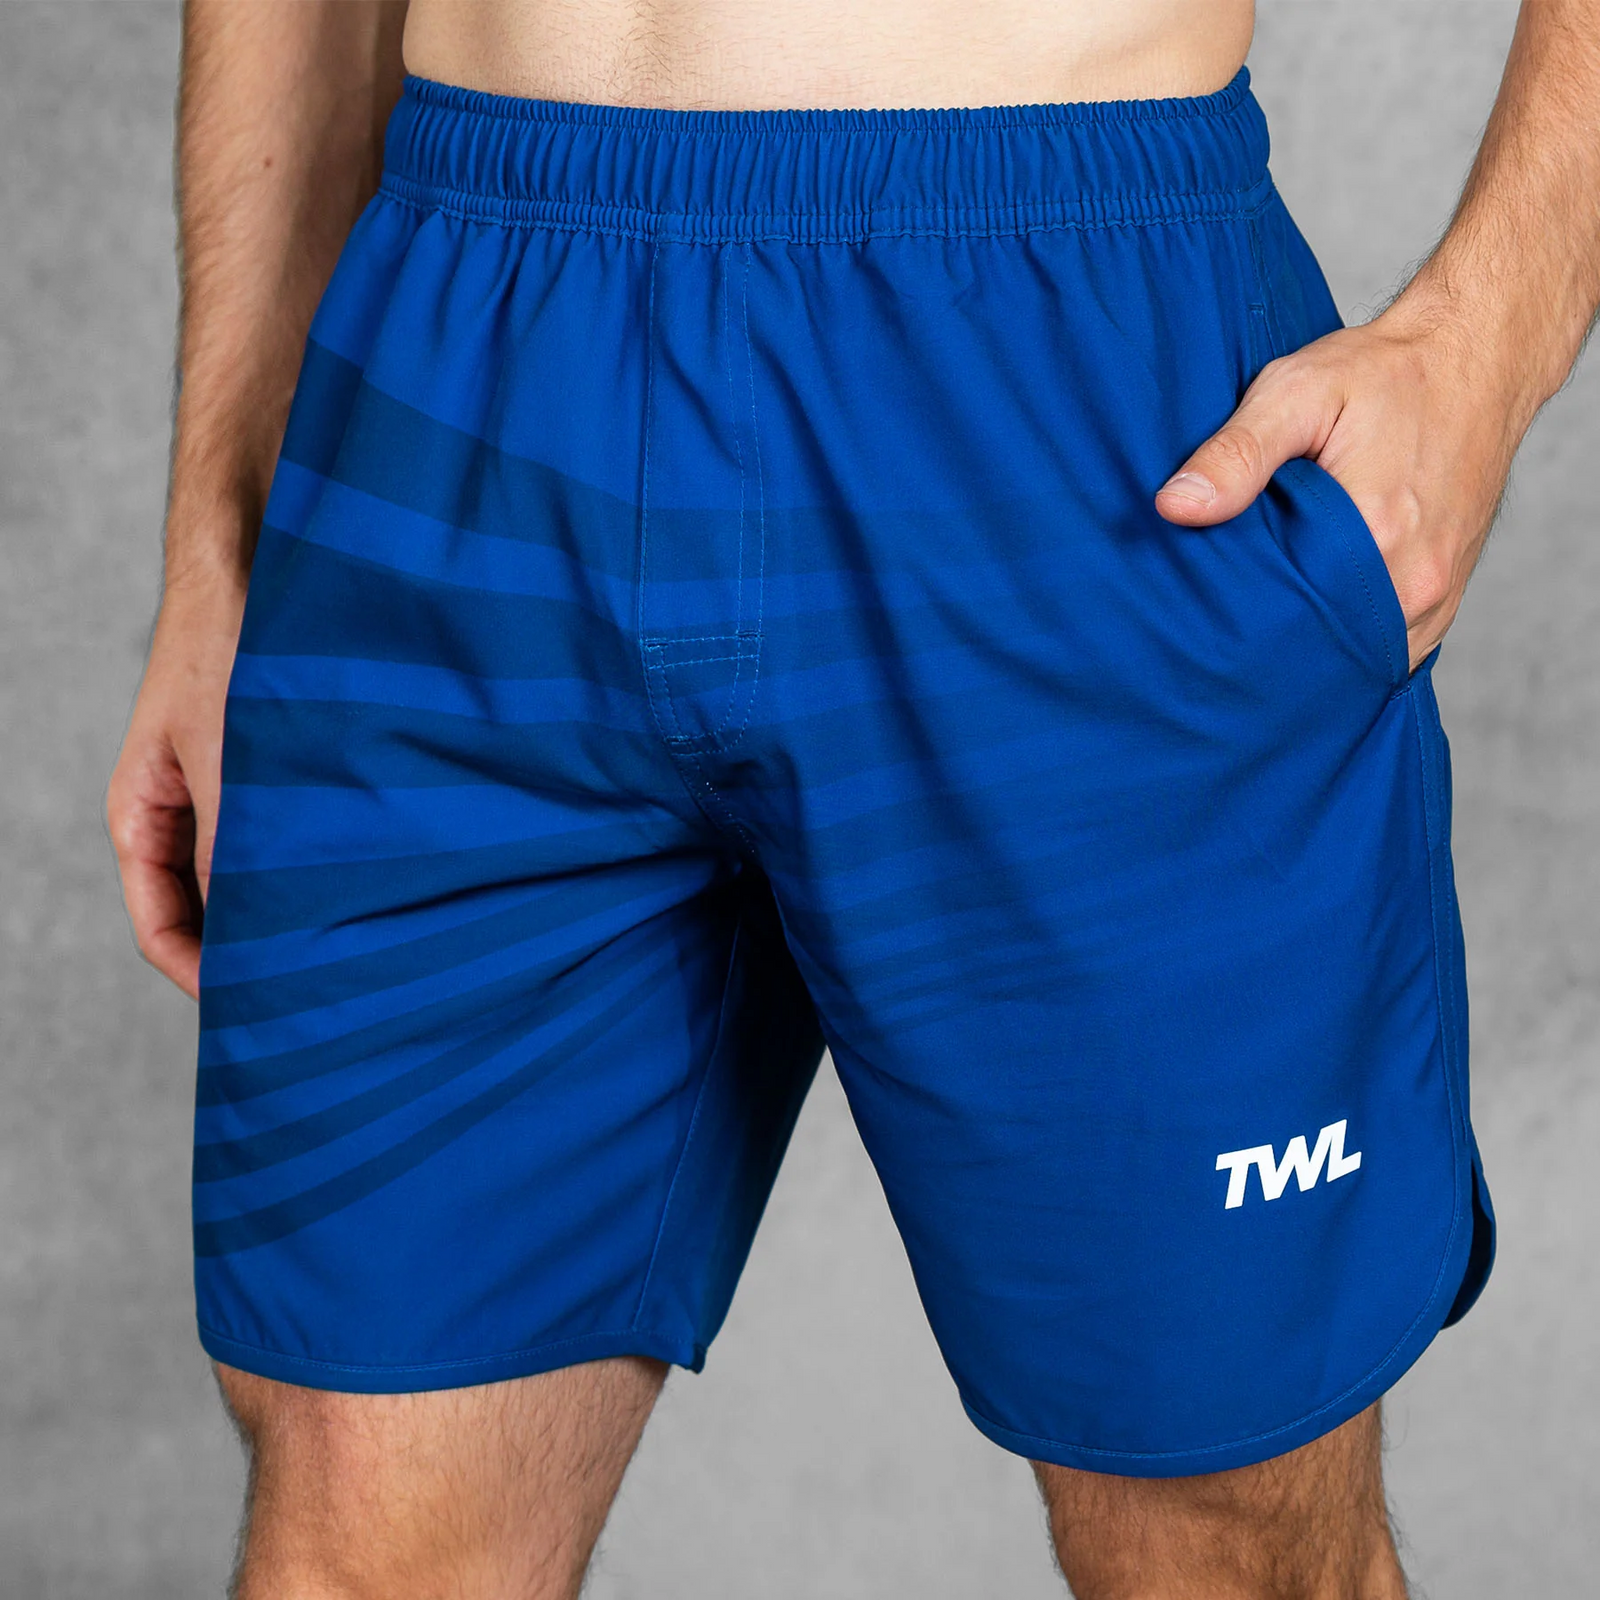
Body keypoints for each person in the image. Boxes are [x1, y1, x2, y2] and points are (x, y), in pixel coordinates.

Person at [106, 0, 1598, 1593]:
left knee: (1223, 1540)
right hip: (459, 400)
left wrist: (1486, 344)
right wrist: (220, 536)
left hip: (1065, 383)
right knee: (359, 1527)